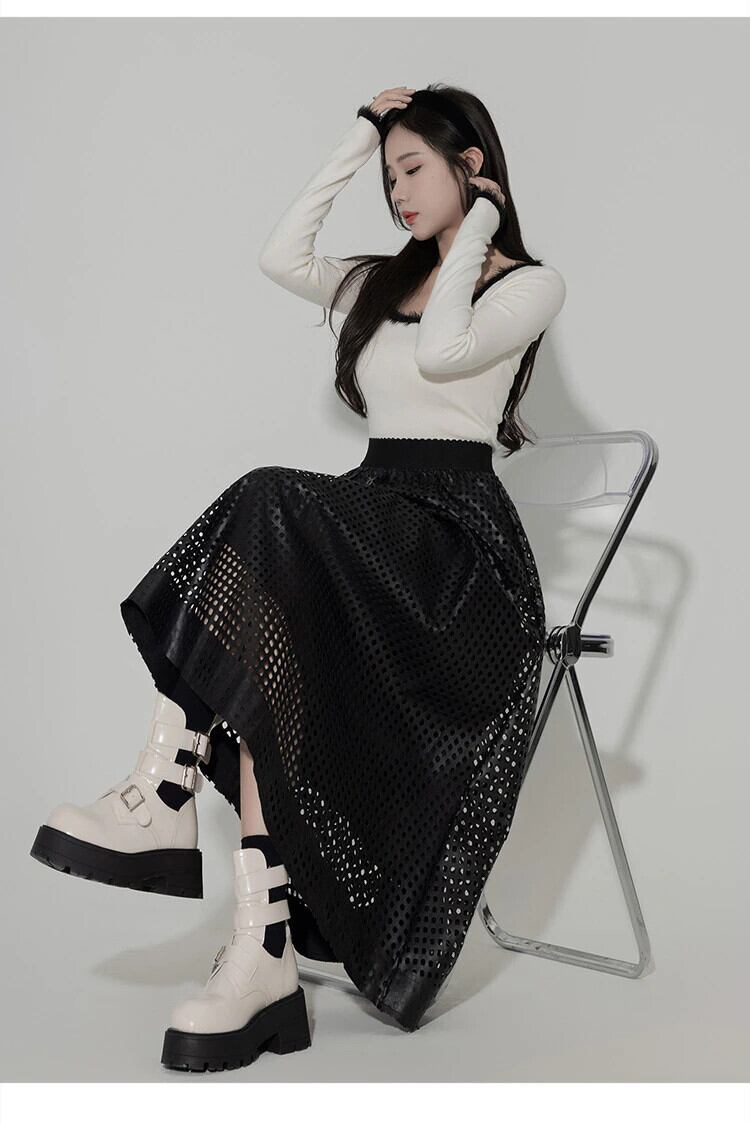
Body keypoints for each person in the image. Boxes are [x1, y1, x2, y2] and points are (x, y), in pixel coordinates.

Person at [30, 82, 566, 1070]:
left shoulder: (526, 284)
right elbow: (280, 255)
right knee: (270, 637)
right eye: (389, 176)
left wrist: (484, 218)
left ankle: (163, 789)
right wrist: (359, 138)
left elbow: (446, 349)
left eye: (414, 169)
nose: (397, 192)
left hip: (456, 564)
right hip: (369, 532)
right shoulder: (380, 280)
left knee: (270, 497)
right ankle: (259, 949)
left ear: (471, 165)